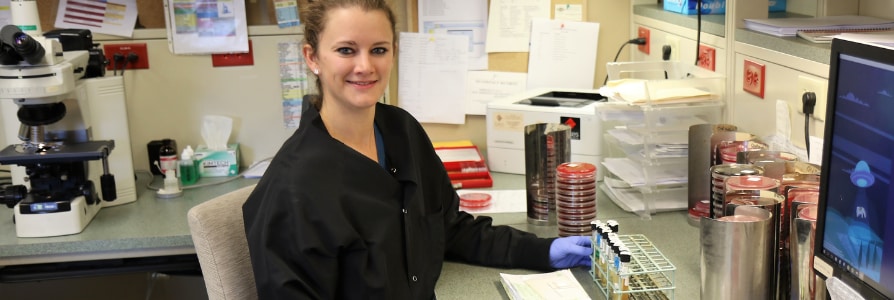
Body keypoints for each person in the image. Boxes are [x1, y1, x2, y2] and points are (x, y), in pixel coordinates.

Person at [242, 0, 592, 298]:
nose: (365, 66)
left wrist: (543, 251)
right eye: (346, 50)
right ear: (312, 57)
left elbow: (449, 229)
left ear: (394, 52)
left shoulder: (401, 131)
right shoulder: (294, 187)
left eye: (378, 49)